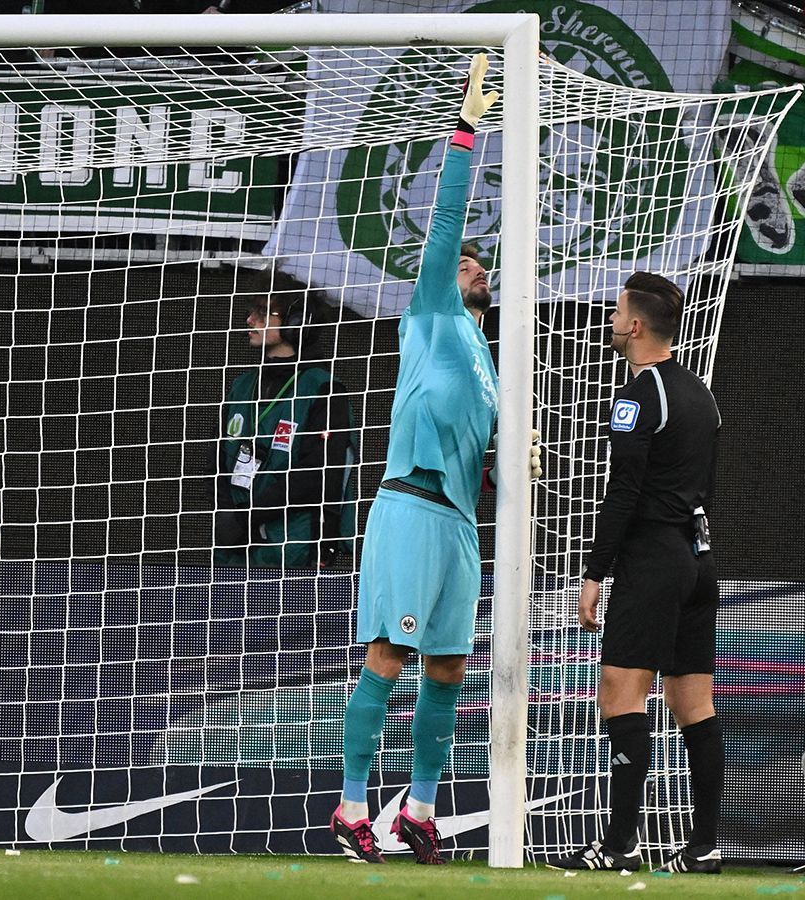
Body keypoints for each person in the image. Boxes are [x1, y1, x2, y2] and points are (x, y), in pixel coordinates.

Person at [329, 53, 540, 866]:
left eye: (478, 262)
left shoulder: (493, 362)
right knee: (390, 656)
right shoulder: (431, 314)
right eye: (462, 261)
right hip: (409, 507)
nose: (471, 260)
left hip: (457, 524)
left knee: (449, 668)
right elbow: (448, 219)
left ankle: (418, 809)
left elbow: (478, 453)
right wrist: (466, 129)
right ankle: (351, 807)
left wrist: (508, 456)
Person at [546, 273, 724, 875]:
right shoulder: (703, 394)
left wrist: (596, 572)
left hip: (652, 561)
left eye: (618, 310)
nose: (612, 318)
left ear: (637, 325)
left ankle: (619, 845)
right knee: (694, 706)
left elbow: (622, 490)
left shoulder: (640, 392)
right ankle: (705, 847)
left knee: (621, 696)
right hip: (700, 563)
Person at [214, 272, 356, 569]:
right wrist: (228, 516)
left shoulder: (324, 389)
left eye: (263, 313)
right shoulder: (241, 386)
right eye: (251, 312)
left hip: (292, 548)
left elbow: (318, 474)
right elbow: (215, 463)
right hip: (235, 546)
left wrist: (247, 517)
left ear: (296, 324)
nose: (250, 321)